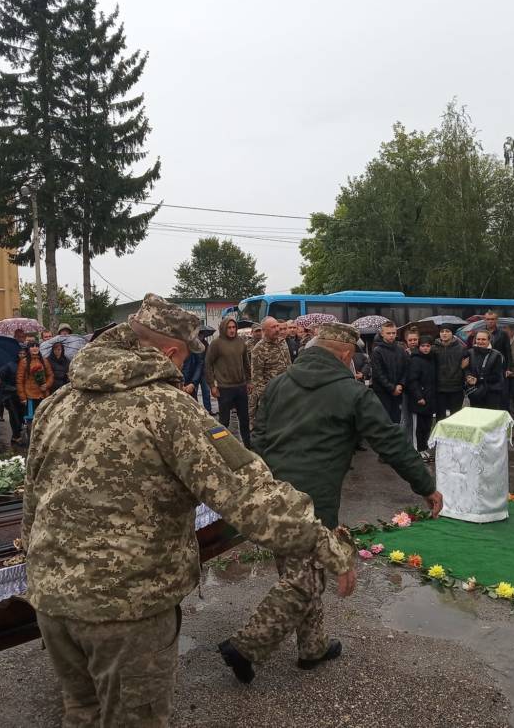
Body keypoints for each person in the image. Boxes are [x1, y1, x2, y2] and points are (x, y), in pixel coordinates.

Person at [22, 294, 355, 727]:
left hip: (53, 601)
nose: (181, 371)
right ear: (171, 352)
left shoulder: (58, 402)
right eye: (183, 360)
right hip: (128, 609)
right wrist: (327, 545)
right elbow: (248, 494)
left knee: (82, 714)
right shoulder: (167, 409)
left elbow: (32, 497)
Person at [220, 323, 441, 681]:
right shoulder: (352, 393)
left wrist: (261, 483)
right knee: (308, 580)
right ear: (344, 355)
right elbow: (390, 442)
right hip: (314, 502)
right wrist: (426, 485)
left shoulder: (278, 384)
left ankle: (313, 647)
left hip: (273, 493)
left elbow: (257, 435)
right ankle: (247, 646)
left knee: (300, 571)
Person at [206, 317, 253, 447]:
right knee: (224, 421)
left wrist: (249, 380)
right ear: (224, 328)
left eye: (234, 327)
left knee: (244, 419)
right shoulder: (216, 344)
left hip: (241, 386)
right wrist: (212, 385)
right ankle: (222, 447)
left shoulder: (241, 342)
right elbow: (208, 364)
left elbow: (246, 363)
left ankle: (248, 446)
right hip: (224, 387)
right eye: (229, 328)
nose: (232, 330)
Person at [249, 316, 290, 425]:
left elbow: (289, 365)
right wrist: (266, 398)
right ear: (264, 331)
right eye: (273, 327)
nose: (277, 329)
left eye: (277, 326)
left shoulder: (282, 342)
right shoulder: (259, 349)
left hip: (286, 391)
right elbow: (257, 378)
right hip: (272, 395)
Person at [407, 335, 438, 460]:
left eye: (428, 346)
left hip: (430, 399)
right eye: (423, 346)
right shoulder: (415, 359)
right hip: (418, 400)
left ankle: (423, 448)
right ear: (419, 347)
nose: (425, 348)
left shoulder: (432, 359)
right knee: (417, 428)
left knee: (426, 426)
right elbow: (412, 380)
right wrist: (419, 396)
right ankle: (417, 450)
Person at [370, 320, 407, 424]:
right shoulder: (377, 351)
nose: (391, 335)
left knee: (397, 421)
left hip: (398, 391)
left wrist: (401, 384)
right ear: (382, 334)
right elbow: (378, 373)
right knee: (384, 421)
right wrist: (392, 388)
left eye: (393, 333)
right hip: (383, 393)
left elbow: (406, 369)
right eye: (388, 333)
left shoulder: (401, 350)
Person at [433, 324, 469, 419]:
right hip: (439, 387)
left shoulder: (461, 348)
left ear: (452, 333)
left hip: (456, 387)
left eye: (447, 331)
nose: (444, 333)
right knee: (440, 416)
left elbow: (466, 365)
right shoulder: (434, 348)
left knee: (455, 416)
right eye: (442, 331)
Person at [17, 341, 54, 428]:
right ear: (28, 349)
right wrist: (22, 397)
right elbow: (19, 381)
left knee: (44, 420)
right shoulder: (24, 362)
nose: (34, 348)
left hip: (43, 395)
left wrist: (47, 385)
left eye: (36, 346)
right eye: (32, 346)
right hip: (30, 396)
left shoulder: (44, 361)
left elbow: (50, 375)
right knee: (31, 422)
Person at [465, 330, 504, 409]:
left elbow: (497, 376)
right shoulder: (469, 352)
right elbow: (466, 368)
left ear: (489, 340)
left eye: (483, 339)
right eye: (478, 339)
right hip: (475, 391)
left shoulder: (497, 355)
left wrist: (478, 380)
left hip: (491, 391)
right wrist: (468, 377)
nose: (480, 341)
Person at [483, 311, 512, 409]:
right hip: (484, 367)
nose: (490, 321)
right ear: (485, 320)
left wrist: (508, 368)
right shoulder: (480, 333)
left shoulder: (503, 334)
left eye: (492, 319)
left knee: (502, 395)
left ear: (496, 320)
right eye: (488, 319)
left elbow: (508, 352)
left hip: (500, 368)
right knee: (485, 393)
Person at [0, 351, 25, 445]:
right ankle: (16, 436)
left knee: (21, 415)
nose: (22, 355)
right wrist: (9, 388)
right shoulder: (10, 365)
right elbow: (0, 378)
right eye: (20, 353)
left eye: (24, 353)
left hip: (22, 394)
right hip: (11, 395)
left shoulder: (26, 365)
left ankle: (17, 435)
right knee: (14, 416)